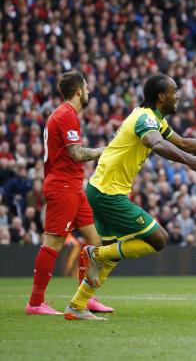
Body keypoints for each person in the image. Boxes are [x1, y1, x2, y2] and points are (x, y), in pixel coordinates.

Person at [63, 74, 196, 320]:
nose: (179, 95)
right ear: (161, 97)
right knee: (158, 239)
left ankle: (77, 306)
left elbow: (182, 142)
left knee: (112, 253)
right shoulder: (145, 119)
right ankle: (93, 255)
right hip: (107, 194)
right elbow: (157, 144)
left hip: (102, 190)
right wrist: (190, 162)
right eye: (175, 91)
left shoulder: (154, 119)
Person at [25, 71, 112, 316]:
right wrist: (105, 151)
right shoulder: (65, 115)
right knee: (53, 242)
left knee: (94, 242)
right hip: (62, 186)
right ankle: (35, 303)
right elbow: (76, 153)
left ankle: (84, 298)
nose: (89, 91)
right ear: (79, 91)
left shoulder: (67, 114)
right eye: (87, 87)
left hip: (73, 186)